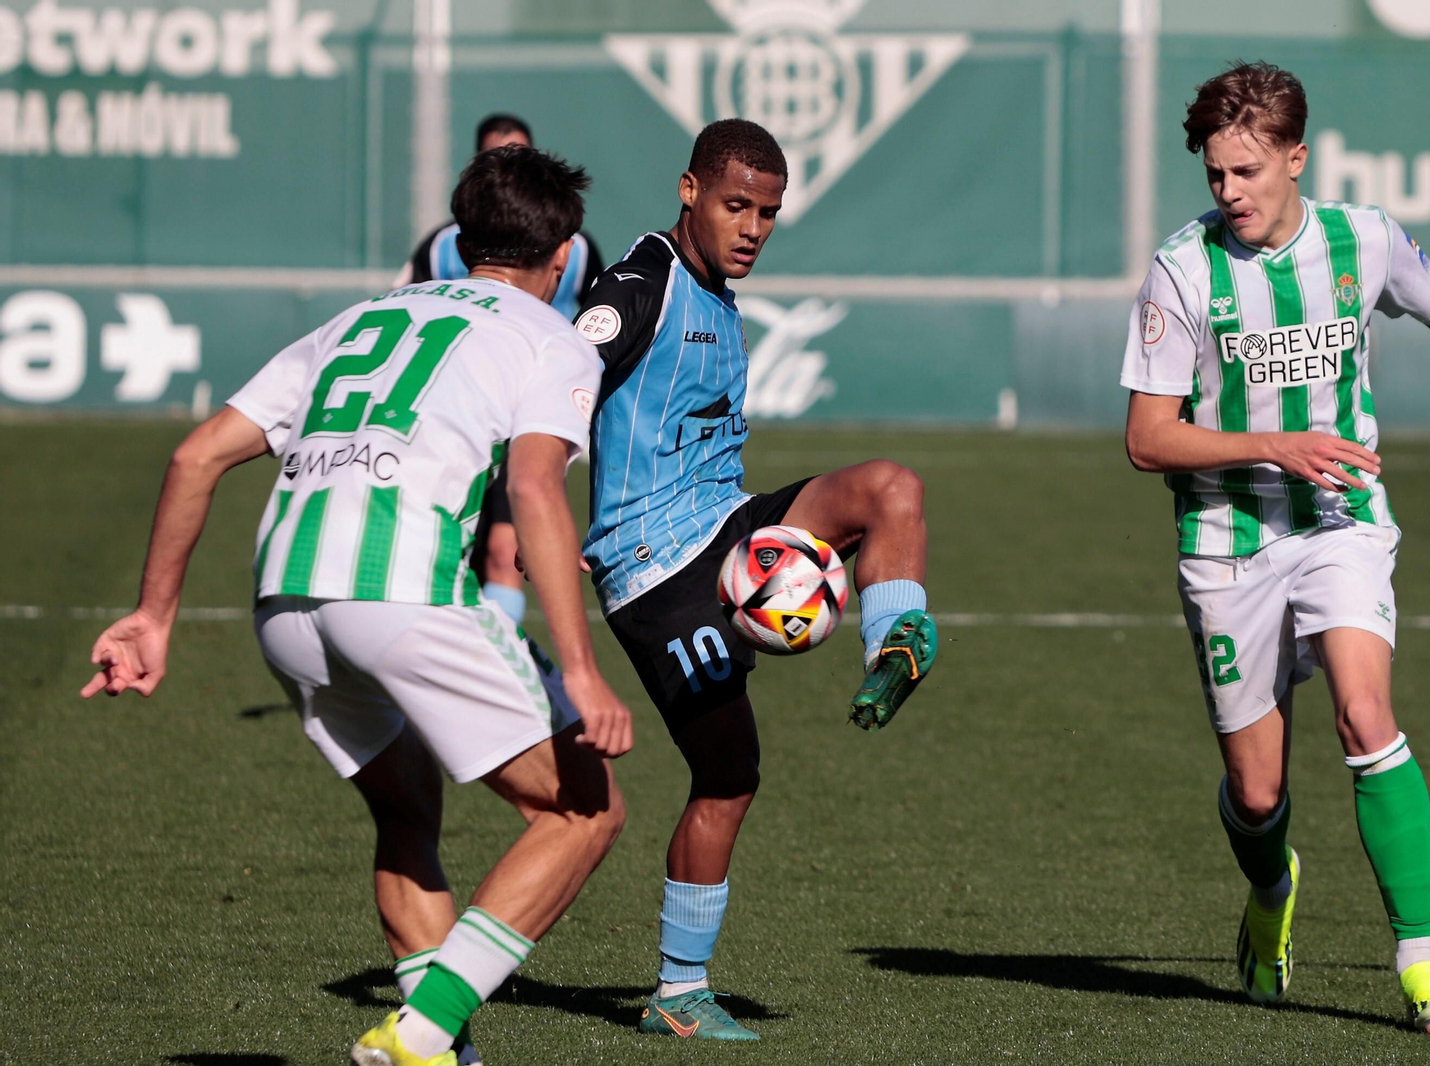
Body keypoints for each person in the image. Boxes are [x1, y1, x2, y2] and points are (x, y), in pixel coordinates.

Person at [82, 145, 636, 1066]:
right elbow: (536, 491)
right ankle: (423, 1032)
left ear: (460, 240)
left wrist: (153, 617)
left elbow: (194, 458)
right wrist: (580, 671)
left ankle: (431, 1048)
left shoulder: (359, 317)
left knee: (408, 810)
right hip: (403, 592)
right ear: (566, 250)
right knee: (586, 810)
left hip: (284, 603)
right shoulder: (553, 338)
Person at [1120, 61, 1430, 1034]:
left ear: (1297, 158)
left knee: (1363, 712)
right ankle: (1268, 893)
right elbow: (1146, 438)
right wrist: (1271, 443)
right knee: (1258, 796)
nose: (1229, 193)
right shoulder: (1181, 270)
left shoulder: (1363, 240)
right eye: (1215, 175)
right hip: (1227, 540)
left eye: (1248, 172)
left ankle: (1420, 963)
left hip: (1341, 520)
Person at [574, 118, 938, 1041]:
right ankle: (678, 994)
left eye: (769, 213)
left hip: (729, 528)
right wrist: (505, 512)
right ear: (689, 190)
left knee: (890, 489)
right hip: (653, 573)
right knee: (728, 776)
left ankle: (898, 639)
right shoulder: (641, 282)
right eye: (737, 205)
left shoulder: (718, 292)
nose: (753, 228)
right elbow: (559, 379)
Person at [399, 113, 607, 628]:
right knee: (452, 555)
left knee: (502, 551)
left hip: (522, 418)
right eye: (495, 157)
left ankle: (496, 657)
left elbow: (600, 326)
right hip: (457, 419)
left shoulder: (576, 252)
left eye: (518, 156)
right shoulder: (441, 246)